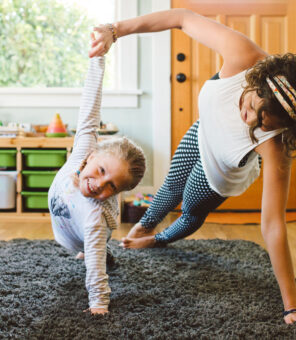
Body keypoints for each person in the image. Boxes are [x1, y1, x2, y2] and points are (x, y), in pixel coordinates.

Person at [89, 10, 296, 323]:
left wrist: (291, 304)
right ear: (255, 80)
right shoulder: (243, 55)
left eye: (263, 123)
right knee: (172, 184)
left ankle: (159, 238)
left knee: (191, 208)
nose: (249, 120)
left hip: (222, 169)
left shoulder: (277, 145)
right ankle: (146, 224)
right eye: (251, 105)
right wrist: (113, 30)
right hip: (203, 131)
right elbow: (182, 18)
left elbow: (272, 225)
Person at [48, 51, 146, 315]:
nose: (99, 184)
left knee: (95, 253)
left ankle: (105, 253)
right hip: (67, 228)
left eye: (112, 186)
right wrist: (97, 59)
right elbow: (90, 105)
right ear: (92, 155)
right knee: (93, 248)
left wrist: (99, 304)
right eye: (101, 170)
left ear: (117, 194)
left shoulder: (93, 217)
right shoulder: (84, 149)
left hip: (83, 236)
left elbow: (95, 272)